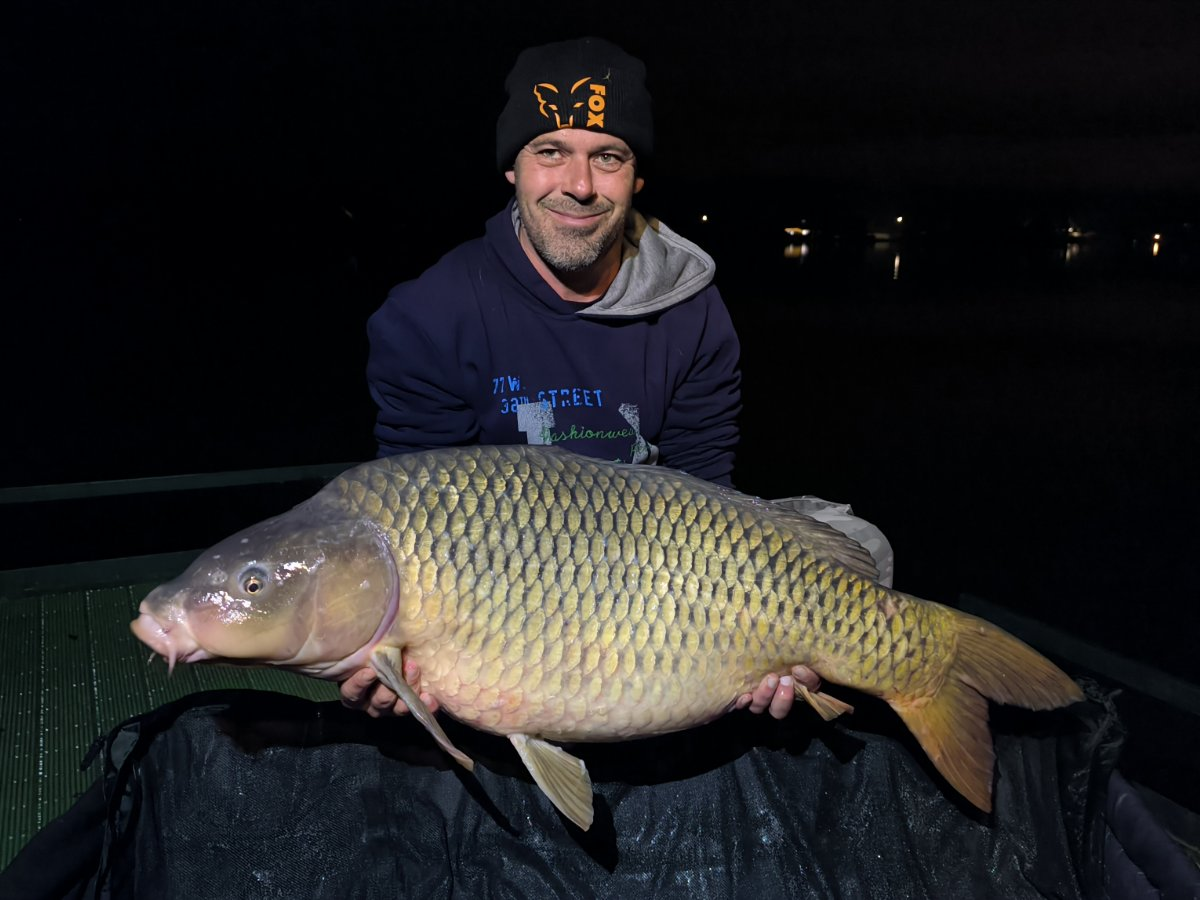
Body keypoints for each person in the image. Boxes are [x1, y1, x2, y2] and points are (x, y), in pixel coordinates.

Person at [340, 37, 821, 722]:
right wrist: (400, 658)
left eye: (608, 157)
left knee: (864, 551)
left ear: (637, 178)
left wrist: (758, 636)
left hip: (657, 588)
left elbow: (709, 498)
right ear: (512, 167)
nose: (580, 185)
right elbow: (416, 522)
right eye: (550, 151)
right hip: (497, 606)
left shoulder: (693, 312)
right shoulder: (427, 317)